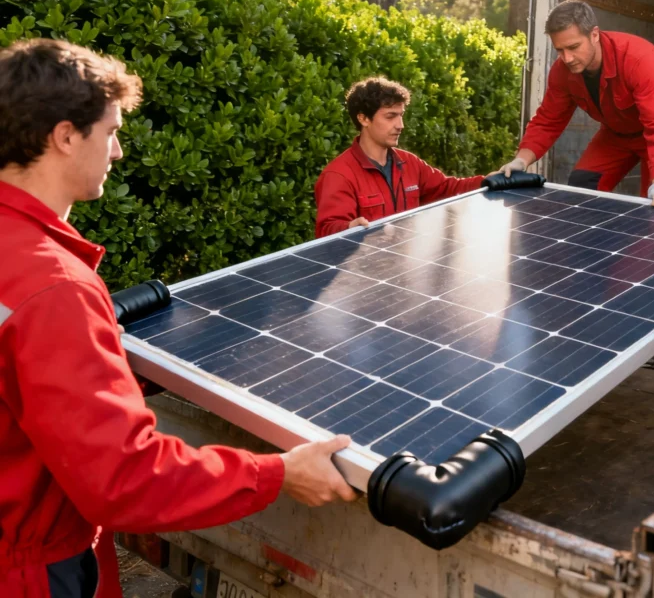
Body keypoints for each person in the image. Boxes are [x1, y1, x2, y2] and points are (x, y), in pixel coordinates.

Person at [0, 40, 356, 598]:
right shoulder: (55, 288)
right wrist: (278, 473)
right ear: (65, 136)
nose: (118, 152)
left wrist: (100, 363)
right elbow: (123, 479)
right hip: (28, 572)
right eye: (110, 132)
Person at [496, 0, 654, 206]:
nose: (567, 58)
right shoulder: (562, 72)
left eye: (573, 47)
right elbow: (548, 121)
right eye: (560, 50)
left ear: (594, 35)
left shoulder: (637, 59)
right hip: (619, 130)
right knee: (582, 186)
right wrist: (521, 161)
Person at [315, 77, 485, 237]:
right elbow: (327, 231)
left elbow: (448, 189)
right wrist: (349, 229)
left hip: (409, 258)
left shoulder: (409, 163)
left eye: (401, 115)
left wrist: (487, 181)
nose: (400, 125)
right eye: (390, 116)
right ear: (364, 118)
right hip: (365, 259)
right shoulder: (339, 175)